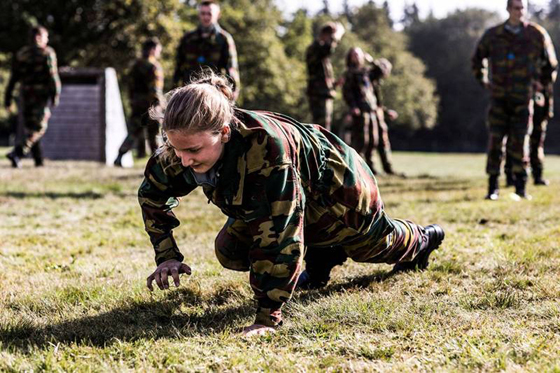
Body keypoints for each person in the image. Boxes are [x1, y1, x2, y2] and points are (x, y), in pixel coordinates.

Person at [138, 72, 445, 336]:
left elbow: (280, 236)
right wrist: (167, 256)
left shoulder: (267, 152)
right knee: (230, 250)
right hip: (290, 195)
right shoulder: (179, 147)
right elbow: (152, 196)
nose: (184, 160)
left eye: (193, 150)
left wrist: (266, 318)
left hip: (336, 185)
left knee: (373, 247)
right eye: (176, 149)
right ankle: (323, 253)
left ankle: (423, 238)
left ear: (225, 133)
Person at [472, 0, 558, 200]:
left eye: (523, 8)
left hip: (523, 99)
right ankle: (492, 187)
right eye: (516, 8)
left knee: (521, 142)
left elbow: (551, 65)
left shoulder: (536, 34)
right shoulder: (493, 35)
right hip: (499, 98)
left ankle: (521, 187)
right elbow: (477, 59)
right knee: (496, 142)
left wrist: (541, 85)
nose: (520, 12)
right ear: (508, 9)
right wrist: (484, 81)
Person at [4, 25, 61, 168]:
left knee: (30, 127)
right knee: (39, 127)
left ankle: (38, 160)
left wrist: (8, 97)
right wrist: (55, 94)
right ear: (40, 38)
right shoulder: (47, 53)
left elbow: (14, 77)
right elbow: (53, 77)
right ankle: (18, 152)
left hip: (25, 95)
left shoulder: (22, 54)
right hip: (40, 96)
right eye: (45, 37)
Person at [173, 0, 240, 99]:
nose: (206, 17)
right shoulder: (188, 38)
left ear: (218, 15)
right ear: (199, 15)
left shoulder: (224, 39)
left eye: (209, 13)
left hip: (214, 94)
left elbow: (231, 68)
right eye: (203, 13)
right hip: (189, 93)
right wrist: (175, 90)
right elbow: (179, 66)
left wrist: (233, 92)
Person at [114, 37, 164, 166]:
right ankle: (158, 163)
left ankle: (119, 156)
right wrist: (159, 105)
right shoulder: (154, 67)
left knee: (133, 132)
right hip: (150, 105)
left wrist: (132, 101)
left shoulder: (135, 65)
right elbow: (155, 89)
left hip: (137, 104)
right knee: (155, 134)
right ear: (153, 50)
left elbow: (129, 86)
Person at [342, 47, 391, 174]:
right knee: (361, 141)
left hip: (372, 110)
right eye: (353, 54)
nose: (356, 57)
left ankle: (370, 167)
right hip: (360, 111)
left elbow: (382, 72)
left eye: (358, 54)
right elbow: (347, 92)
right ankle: (356, 167)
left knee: (373, 140)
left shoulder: (367, 72)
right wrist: (353, 107)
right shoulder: (349, 73)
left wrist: (372, 61)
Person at [504, 83, 555, 186]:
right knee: (515, 140)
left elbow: (548, 84)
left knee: (537, 141)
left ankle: (537, 175)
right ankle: (511, 175)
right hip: (522, 101)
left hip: (540, 104)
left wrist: (548, 108)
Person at [305, 22, 345, 132]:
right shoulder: (315, 48)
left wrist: (334, 83)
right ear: (325, 34)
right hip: (318, 93)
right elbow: (328, 49)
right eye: (330, 36)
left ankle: (321, 148)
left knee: (323, 126)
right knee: (321, 128)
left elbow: (321, 76)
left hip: (323, 92)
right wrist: (338, 34)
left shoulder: (320, 51)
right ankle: (320, 149)